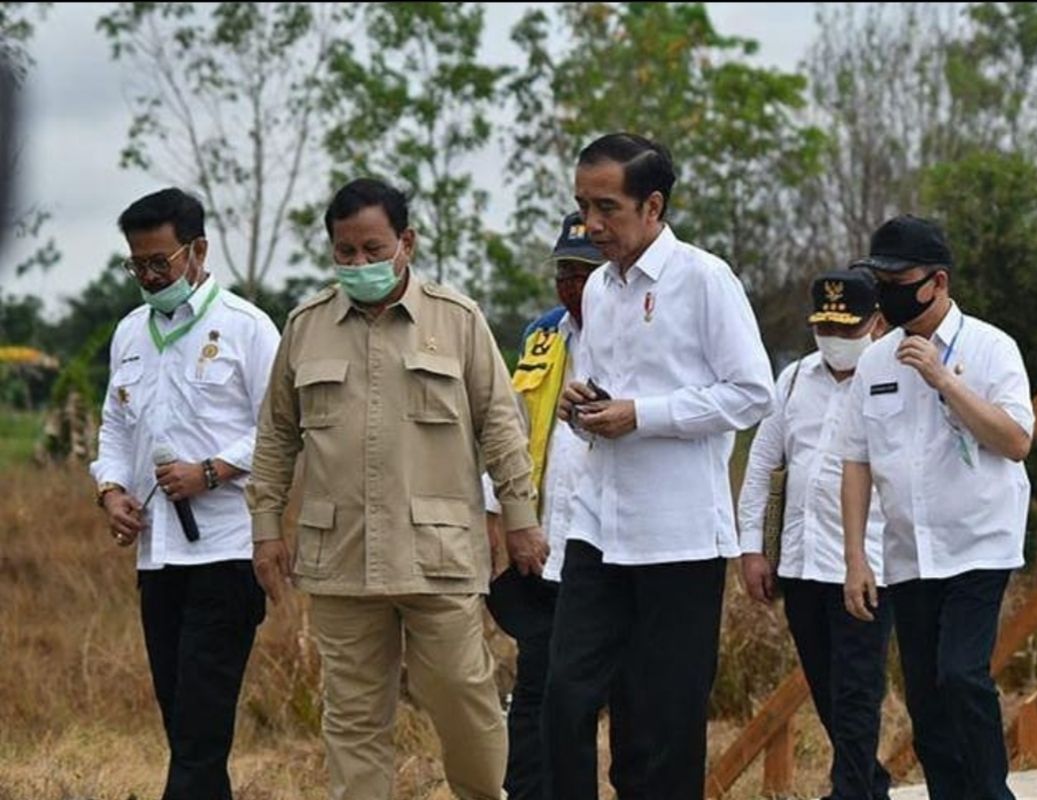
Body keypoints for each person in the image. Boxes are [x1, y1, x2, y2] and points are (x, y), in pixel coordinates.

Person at [246, 177, 546, 800]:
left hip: (436, 553)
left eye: (373, 250)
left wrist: (519, 518)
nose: (359, 264)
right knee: (353, 716)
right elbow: (276, 437)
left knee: (464, 695)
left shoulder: (457, 320)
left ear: (406, 242)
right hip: (340, 556)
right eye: (345, 252)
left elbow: (501, 425)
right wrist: (266, 530)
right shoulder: (305, 327)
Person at [545, 132, 775, 799]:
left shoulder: (704, 278)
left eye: (606, 208)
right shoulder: (601, 290)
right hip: (598, 527)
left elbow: (752, 393)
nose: (591, 224)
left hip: (677, 537)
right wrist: (578, 404)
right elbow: (598, 386)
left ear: (653, 206)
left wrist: (642, 414)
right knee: (563, 696)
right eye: (584, 205)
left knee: (660, 726)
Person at [90, 187, 280, 800]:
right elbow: (116, 425)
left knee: (199, 729)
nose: (148, 277)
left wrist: (215, 470)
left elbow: (281, 429)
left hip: (225, 554)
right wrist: (111, 488)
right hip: (159, 556)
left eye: (159, 263)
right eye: (136, 264)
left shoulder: (247, 328)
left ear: (197, 251)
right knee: (184, 725)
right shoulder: (129, 333)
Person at [839, 215, 1034, 800]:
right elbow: (856, 462)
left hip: (978, 543)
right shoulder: (873, 363)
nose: (887, 290)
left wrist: (946, 382)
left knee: (962, 674)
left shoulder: (991, 348)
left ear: (938, 282)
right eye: (880, 278)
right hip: (908, 555)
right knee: (925, 694)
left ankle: (991, 792)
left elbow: (1017, 441)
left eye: (900, 278)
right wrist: (856, 557)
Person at [483, 211, 646, 798]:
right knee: (539, 693)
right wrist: (500, 523)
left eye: (585, 272)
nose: (572, 286)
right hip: (548, 548)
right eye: (563, 274)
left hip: (621, 549)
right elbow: (510, 427)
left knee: (627, 696)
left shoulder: (642, 331)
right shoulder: (543, 335)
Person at [738, 269, 892, 800]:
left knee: (857, 689)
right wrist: (752, 548)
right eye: (825, 327)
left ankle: (849, 791)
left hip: (867, 563)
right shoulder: (796, 378)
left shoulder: (893, 374)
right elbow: (762, 463)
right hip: (801, 563)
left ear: (876, 322)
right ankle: (870, 784)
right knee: (827, 688)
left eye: (847, 329)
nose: (835, 340)